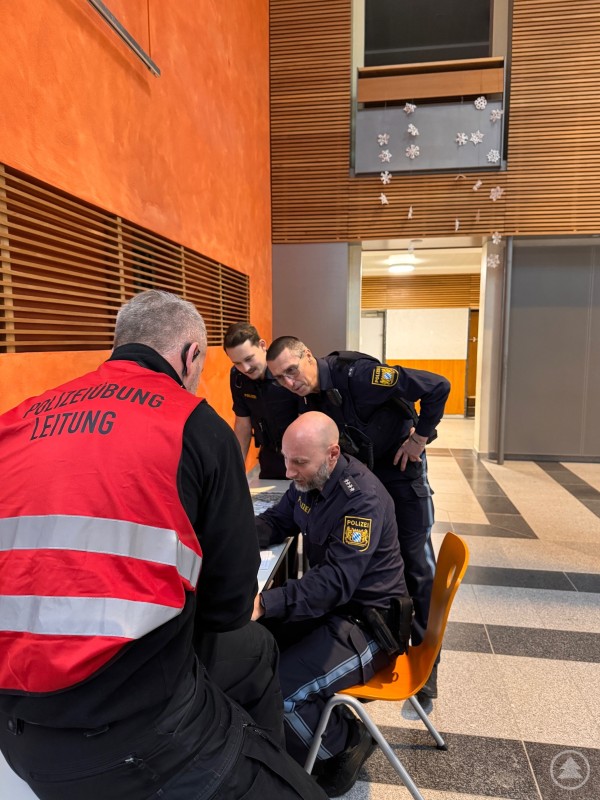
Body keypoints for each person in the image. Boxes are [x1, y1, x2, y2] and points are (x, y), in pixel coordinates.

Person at [0, 291, 325, 800]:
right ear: (191, 356)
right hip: (132, 732)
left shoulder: (16, 420)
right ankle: (250, 754)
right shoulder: (192, 423)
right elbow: (229, 607)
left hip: (16, 732)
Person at [265, 337, 450, 714]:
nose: (288, 381)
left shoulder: (361, 375)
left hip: (400, 472)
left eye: (291, 370)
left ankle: (426, 663)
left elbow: (437, 386)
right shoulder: (311, 402)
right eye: (279, 378)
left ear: (306, 354)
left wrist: (419, 437)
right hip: (361, 475)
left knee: (415, 565)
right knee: (357, 558)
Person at [252, 412, 409, 798]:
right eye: (286, 460)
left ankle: (345, 741)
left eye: (299, 462)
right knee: (255, 650)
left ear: (332, 454)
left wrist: (264, 602)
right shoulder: (310, 480)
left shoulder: (362, 501)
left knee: (279, 692)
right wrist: (229, 539)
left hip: (369, 625)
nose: (289, 472)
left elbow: (334, 584)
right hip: (333, 611)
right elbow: (277, 520)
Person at [224, 322, 299, 478]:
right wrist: (236, 472)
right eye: (237, 363)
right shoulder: (238, 378)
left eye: (249, 359)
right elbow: (242, 425)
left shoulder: (288, 370)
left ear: (262, 345)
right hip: (269, 457)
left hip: (300, 456)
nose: (245, 368)